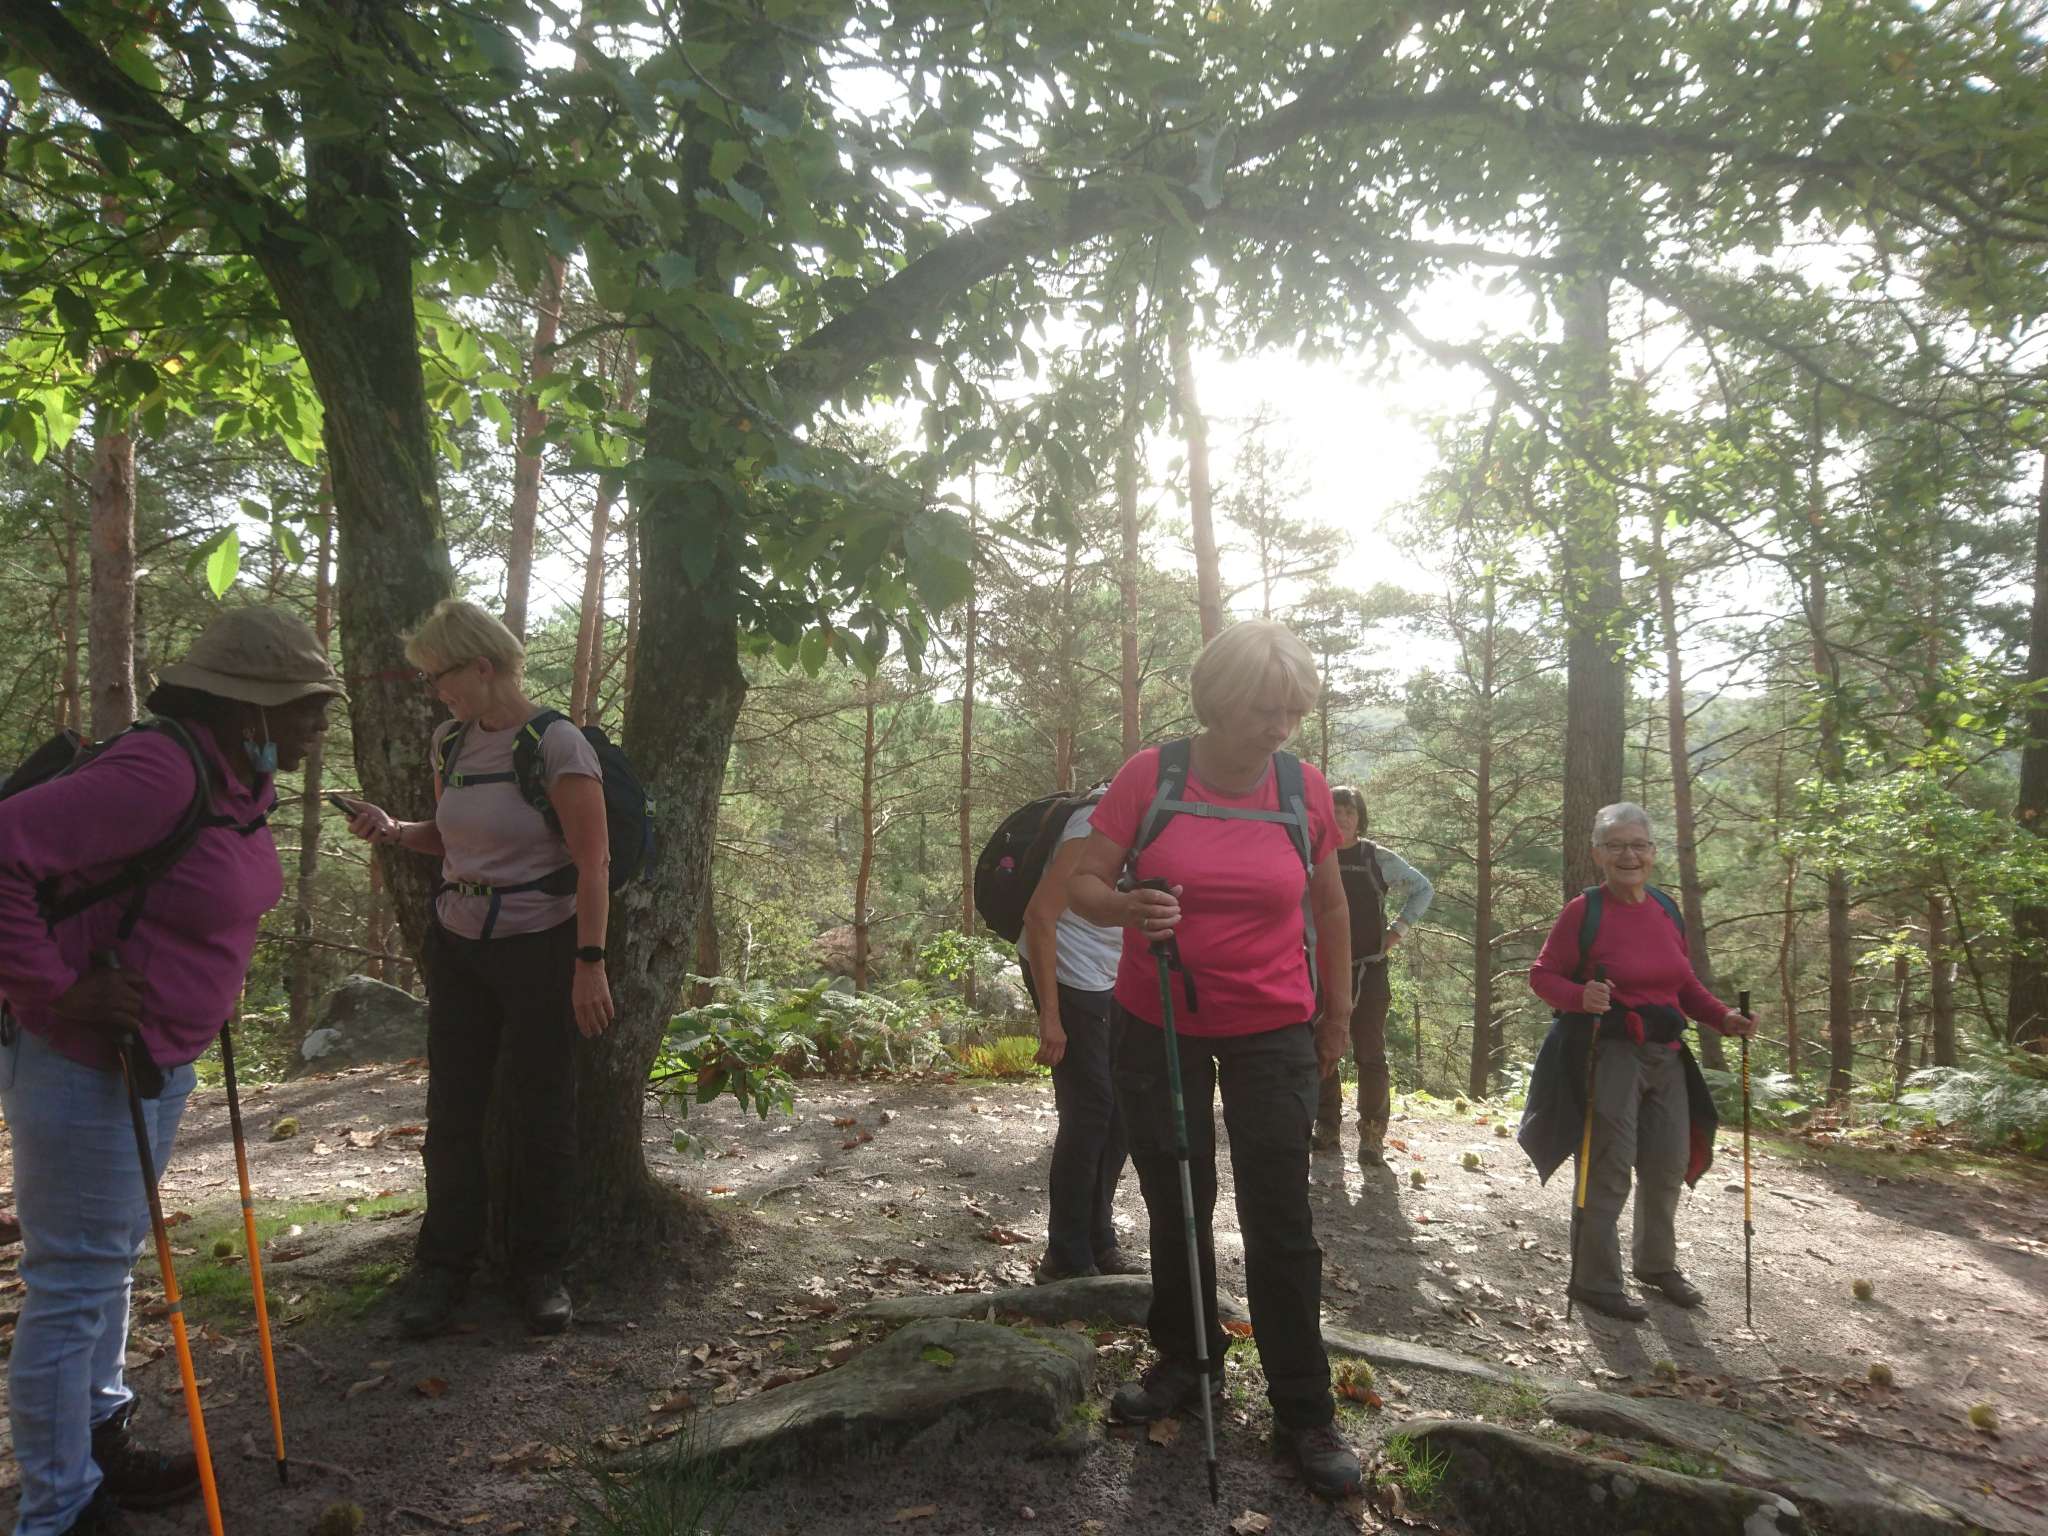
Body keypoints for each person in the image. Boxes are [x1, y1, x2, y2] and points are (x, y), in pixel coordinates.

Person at [0, 607, 342, 1536]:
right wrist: (57, 990)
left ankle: (97, 1438)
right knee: (75, 1278)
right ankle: (59, 1509)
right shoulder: (158, 773)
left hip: (155, 1063)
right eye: (306, 706)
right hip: (80, 1060)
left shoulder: (239, 779)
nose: (319, 725)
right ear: (247, 707)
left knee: (106, 1262)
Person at [1066, 620, 1362, 1500]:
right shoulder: (1150, 777)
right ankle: (1187, 1361)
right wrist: (1128, 908)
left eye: (1292, 712)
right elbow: (1084, 885)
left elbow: (1330, 907)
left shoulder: (1300, 787)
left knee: (1281, 1216)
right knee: (1177, 1200)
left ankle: (1304, 1408)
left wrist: (1337, 1015)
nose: (1279, 726)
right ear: (1217, 701)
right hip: (1156, 1020)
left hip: (1275, 1026)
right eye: (1264, 709)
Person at [339, 599, 613, 1337]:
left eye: (440, 677)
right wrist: (395, 830)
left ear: (483, 667)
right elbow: (451, 839)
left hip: (541, 945)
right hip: (460, 945)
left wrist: (589, 962)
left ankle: (540, 1269)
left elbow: (594, 862)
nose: (435, 692)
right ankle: (444, 1268)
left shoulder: (557, 744)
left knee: (541, 1109)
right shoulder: (450, 743)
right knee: (453, 1111)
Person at [1522, 802, 1756, 1322]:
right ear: (1597, 854)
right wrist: (1579, 996)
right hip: (1609, 1053)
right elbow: (1542, 975)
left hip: (1666, 1055)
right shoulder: (1584, 911)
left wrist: (1723, 1018)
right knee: (1609, 1167)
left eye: (1638, 845)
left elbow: (1683, 982)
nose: (1628, 855)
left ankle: (1656, 1265)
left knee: (1667, 1163)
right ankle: (1594, 1280)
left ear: (1652, 852)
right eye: (1616, 846)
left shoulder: (1666, 909)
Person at [1018, 787, 1137, 1283]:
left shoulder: (1162, 824)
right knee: (1090, 1112)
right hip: (1065, 971)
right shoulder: (1093, 823)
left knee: (1121, 1114)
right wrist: (1051, 1016)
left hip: (1114, 975)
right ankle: (1065, 1256)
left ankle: (1098, 1239)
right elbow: (1039, 916)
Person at [1313, 786, 1433, 1164]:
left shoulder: (1375, 857)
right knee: (1323, 1046)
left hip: (1370, 969)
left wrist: (1397, 931)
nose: (1343, 818)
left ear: (1360, 818)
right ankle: (1327, 1126)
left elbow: (1423, 888)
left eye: (1350, 812)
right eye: (1336, 811)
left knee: (1369, 1052)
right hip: (1322, 969)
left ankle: (1372, 1133)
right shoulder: (1315, 854)